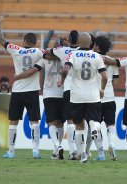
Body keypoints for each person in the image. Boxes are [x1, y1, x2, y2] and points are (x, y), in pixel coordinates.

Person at [0, 16, 44, 159]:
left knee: (13, 122)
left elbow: (0, 39)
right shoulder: (38, 52)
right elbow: (50, 54)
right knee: (34, 122)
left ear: (24, 41)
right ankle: (35, 151)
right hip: (32, 92)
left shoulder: (15, 49)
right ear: (35, 43)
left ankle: (11, 151)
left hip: (17, 91)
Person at [58, 32, 108, 164]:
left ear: (79, 42)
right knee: (94, 123)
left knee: (78, 125)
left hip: (77, 96)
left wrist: (62, 81)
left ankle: (82, 155)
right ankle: (96, 136)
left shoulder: (72, 54)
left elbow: (64, 70)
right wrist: (102, 90)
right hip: (93, 95)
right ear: (91, 43)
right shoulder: (97, 56)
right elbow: (105, 77)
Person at [14, 39, 67, 160]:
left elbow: (32, 71)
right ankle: (57, 149)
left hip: (49, 94)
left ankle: (57, 147)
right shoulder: (66, 58)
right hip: (63, 93)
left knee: (52, 123)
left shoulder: (44, 59)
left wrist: (18, 77)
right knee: (60, 123)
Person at [49, 30, 80, 160]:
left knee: (69, 121)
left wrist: (61, 42)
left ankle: (69, 150)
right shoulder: (82, 51)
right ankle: (77, 151)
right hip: (80, 90)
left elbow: (49, 51)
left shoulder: (62, 51)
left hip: (67, 90)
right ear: (78, 40)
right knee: (79, 122)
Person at [91, 35, 119, 161]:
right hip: (110, 97)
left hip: (96, 97)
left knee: (95, 126)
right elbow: (116, 83)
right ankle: (112, 144)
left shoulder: (93, 58)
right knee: (110, 124)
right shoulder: (113, 61)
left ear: (97, 46)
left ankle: (101, 153)